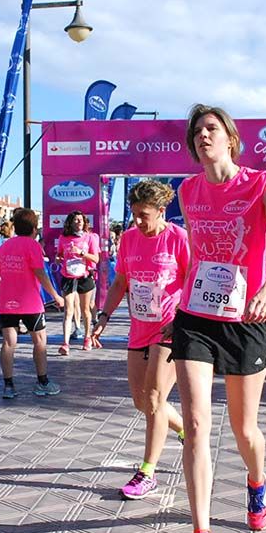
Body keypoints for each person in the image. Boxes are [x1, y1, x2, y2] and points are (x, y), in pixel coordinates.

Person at [170, 105, 266, 533]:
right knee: (198, 424)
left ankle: (258, 482)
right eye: (197, 131)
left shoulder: (261, 182)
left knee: (245, 430)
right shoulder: (187, 189)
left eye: (211, 129)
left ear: (229, 138)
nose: (203, 136)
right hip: (196, 316)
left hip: (246, 317)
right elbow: (195, 254)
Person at [92, 180, 189, 500]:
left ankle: (147, 471)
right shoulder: (130, 239)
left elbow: (191, 280)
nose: (136, 222)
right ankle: (183, 429)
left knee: (154, 400)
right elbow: (121, 280)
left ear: (161, 212)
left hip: (170, 328)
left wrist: (183, 319)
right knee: (141, 401)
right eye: (133, 214)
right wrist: (103, 316)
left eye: (143, 215)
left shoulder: (178, 238)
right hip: (139, 327)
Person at [0, 208, 65, 398]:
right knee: (40, 341)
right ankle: (42, 382)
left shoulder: (4, 246)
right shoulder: (33, 246)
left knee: (9, 343)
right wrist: (56, 296)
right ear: (34, 228)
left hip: (7, 302)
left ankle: (8, 386)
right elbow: (40, 273)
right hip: (30, 303)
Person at [55, 211, 100, 355]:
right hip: (68, 275)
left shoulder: (90, 237)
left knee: (85, 309)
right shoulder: (64, 238)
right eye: (75, 220)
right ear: (70, 222)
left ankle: (87, 337)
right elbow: (60, 254)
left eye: (81, 220)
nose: (78, 222)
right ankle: (65, 343)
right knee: (68, 310)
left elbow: (96, 259)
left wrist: (82, 254)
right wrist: (58, 259)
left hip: (84, 276)